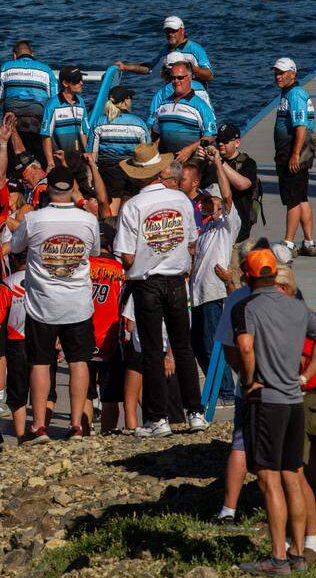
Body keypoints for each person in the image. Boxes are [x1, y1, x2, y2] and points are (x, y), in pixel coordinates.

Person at [230, 250, 316, 575]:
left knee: (269, 478)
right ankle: (298, 554)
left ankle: (277, 559)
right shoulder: (295, 305)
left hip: (267, 401)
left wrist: (249, 381)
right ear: (274, 274)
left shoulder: (245, 307)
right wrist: (305, 376)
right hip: (293, 399)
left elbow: (245, 347)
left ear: (247, 276)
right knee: (293, 476)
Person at [115, 144, 205, 437]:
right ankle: (195, 413)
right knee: (183, 348)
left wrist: (146, 255)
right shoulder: (180, 199)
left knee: (152, 352)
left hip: (147, 282)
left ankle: (158, 418)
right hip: (177, 279)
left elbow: (126, 255)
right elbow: (192, 240)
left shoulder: (133, 206)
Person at [10, 166, 100, 442]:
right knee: (78, 362)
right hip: (77, 302)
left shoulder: (34, 219)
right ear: (72, 188)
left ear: (47, 189)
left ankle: (39, 425)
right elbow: (94, 252)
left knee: (40, 362)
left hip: (43, 303)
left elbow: (15, 248)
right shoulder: (88, 220)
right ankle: (75, 424)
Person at [190, 145, 241, 405]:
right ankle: (216, 388)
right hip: (198, 295)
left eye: (209, 201)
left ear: (220, 204)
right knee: (197, 345)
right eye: (203, 200)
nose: (203, 204)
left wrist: (218, 163)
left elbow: (229, 196)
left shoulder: (227, 225)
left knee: (211, 344)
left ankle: (225, 393)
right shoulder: (206, 230)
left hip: (213, 293)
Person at [272, 58, 316, 257]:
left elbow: (301, 127)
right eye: (276, 72)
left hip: (292, 153)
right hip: (290, 152)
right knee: (301, 198)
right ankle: (309, 242)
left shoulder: (296, 94)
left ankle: (288, 243)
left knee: (292, 200)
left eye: (282, 72)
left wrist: (295, 156)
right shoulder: (288, 93)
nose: (278, 76)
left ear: (293, 73)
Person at [85, 86, 150, 211]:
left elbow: (92, 155)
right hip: (132, 171)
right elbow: (146, 154)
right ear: (125, 101)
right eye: (130, 98)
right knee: (130, 208)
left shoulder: (100, 122)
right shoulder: (139, 124)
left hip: (108, 172)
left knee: (112, 211)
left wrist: (91, 176)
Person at [0, 41, 58, 164]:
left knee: (13, 162)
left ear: (14, 55)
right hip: (37, 124)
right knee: (38, 160)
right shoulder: (46, 70)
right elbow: (54, 101)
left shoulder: (6, 67)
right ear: (32, 54)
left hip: (13, 124)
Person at [0, 252, 30, 439]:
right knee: (46, 388)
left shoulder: (8, 283)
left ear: (13, 260)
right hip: (42, 338)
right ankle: (40, 427)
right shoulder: (44, 279)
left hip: (17, 341)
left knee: (18, 390)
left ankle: (20, 435)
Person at [88, 220, 126, 433]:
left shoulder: (84, 267)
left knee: (86, 392)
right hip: (112, 339)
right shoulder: (120, 270)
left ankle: (84, 432)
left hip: (84, 337)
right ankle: (107, 434)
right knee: (110, 396)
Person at [116, 16, 214, 85]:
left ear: (182, 30)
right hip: (172, 95)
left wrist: (191, 68)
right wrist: (125, 67)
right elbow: (150, 68)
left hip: (195, 95)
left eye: (173, 31)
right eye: (167, 31)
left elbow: (209, 76)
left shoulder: (195, 49)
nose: (170, 34)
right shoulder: (165, 50)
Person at [150, 59, 217, 159]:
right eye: (173, 78)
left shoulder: (200, 106)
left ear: (190, 78)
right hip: (166, 159)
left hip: (192, 160)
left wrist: (190, 149)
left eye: (180, 77)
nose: (176, 81)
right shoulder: (162, 104)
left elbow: (212, 135)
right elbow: (155, 133)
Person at [214, 123, 261, 243]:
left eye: (225, 141)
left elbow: (242, 184)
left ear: (237, 143)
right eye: (218, 140)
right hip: (215, 224)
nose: (220, 144)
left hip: (239, 226)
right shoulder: (210, 162)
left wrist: (219, 162)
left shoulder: (248, 163)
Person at [40, 66, 89, 179]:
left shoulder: (80, 102)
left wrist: (87, 154)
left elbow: (83, 132)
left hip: (79, 162)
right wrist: (50, 162)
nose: (81, 83)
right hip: (60, 163)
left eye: (81, 79)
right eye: (77, 81)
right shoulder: (52, 105)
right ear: (65, 83)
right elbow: (46, 135)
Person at [147, 52, 214, 120]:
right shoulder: (200, 87)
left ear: (166, 72)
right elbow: (211, 116)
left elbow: (152, 120)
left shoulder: (163, 92)